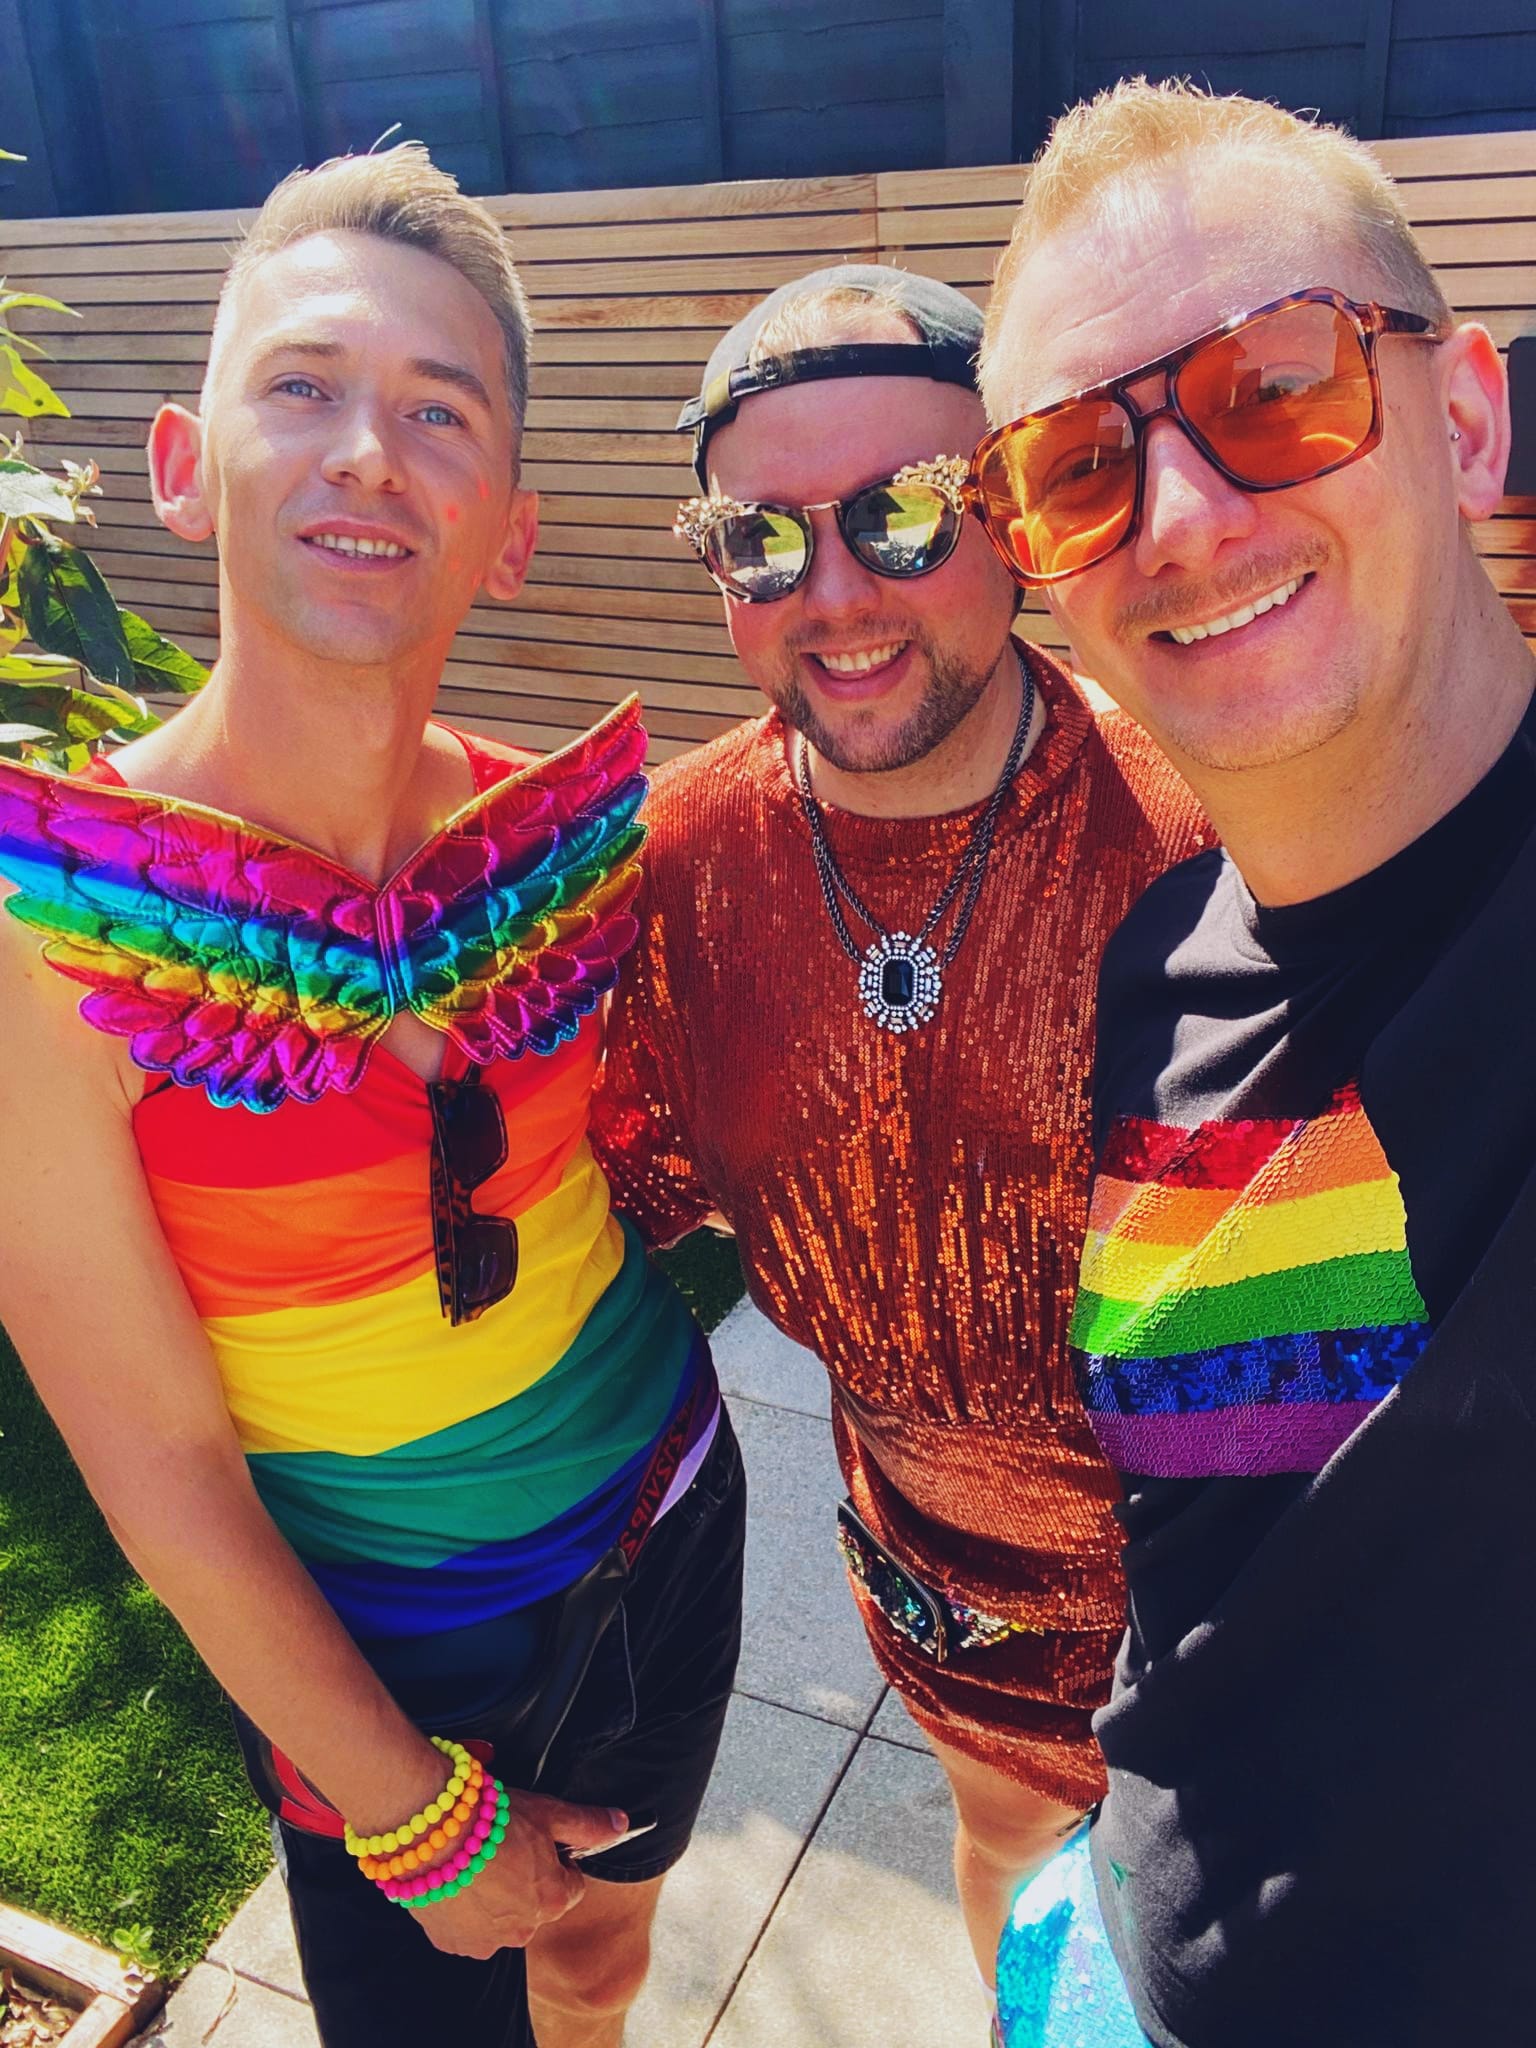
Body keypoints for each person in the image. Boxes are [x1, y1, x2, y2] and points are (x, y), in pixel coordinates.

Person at [0, 145, 745, 2048]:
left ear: (510, 528)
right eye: (304, 385)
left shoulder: (552, 842)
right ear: (185, 465)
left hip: (669, 1511)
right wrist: (412, 1808)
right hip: (380, 1665)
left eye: (439, 411)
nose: (366, 453)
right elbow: (157, 1460)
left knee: (602, 1961)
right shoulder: (46, 942)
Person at [976, 81, 1536, 2048]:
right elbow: (1212, 1529)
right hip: (1119, 1962)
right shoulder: (1157, 974)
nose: (1184, 518)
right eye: (1077, 467)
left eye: (1276, 387)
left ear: (1466, 421)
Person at [587, 262, 1209, 2001]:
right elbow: (594, 1208)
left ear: (1011, 515)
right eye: (763, 540)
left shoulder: (1200, 836)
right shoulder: (675, 868)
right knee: (1012, 1870)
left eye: (903, 514)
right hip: (935, 1583)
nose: (837, 594)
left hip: (1230, 1595)